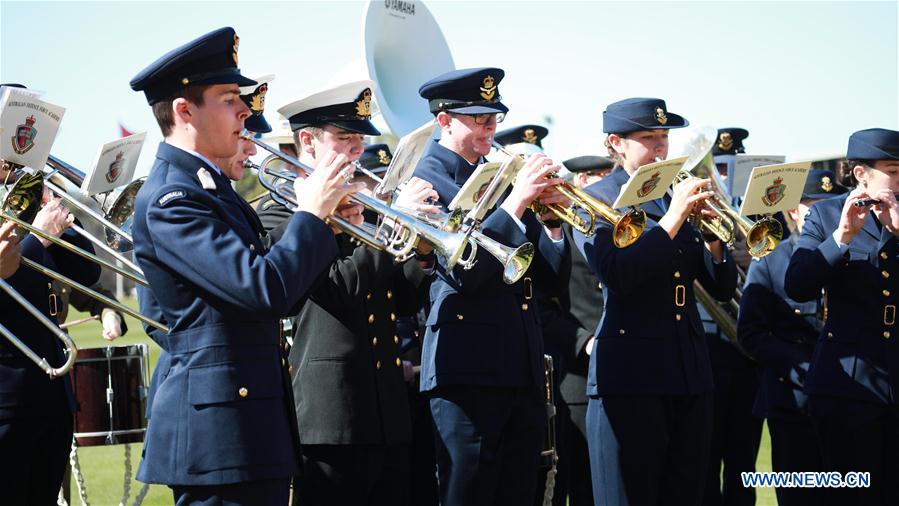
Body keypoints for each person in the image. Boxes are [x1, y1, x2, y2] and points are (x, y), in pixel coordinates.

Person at [128, 27, 363, 504]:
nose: (244, 111)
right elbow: (263, 289)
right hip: (219, 436)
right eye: (229, 99)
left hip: (248, 425)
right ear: (184, 110)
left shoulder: (211, 190)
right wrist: (310, 216)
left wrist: (329, 231)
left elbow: (282, 297)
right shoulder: (174, 198)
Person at [259, 80, 435, 506]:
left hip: (387, 410)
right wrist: (392, 226)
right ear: (307, 141)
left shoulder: (362, 198)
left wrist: (423, 248)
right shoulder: (282, 212)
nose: (357, 150)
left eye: (360, 139)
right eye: (344, 137)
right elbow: (339, 289)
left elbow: (403, 299)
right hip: (331, 413)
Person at [412, 67, 570, 506]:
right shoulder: (425, 181)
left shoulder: (499, 176)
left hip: (521, 364)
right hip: (467, 367)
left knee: (519, 493)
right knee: (471, 492)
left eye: (493, 119)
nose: (490, 129)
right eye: (479, 119)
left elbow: (550, 281)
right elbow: (466, 272)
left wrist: (553, 224)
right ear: (445, 120)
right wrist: (517, 202)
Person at [573, 97, 737, 506]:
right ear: (617, 143)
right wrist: (674, 219)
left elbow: (719, 288)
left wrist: (714, 238)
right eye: (648, 138)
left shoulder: (671, 193)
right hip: (630, 374)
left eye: (664, 136)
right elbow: (619, 276)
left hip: (688, 369)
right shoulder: (597, 199)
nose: (661, 147)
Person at [785, 128, 899, 506]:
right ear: (861, 174)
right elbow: (798, 285)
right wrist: (842, 237)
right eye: (893, 171)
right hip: (848, 385)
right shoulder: (826, 214)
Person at [739, 169, 846, 506]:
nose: (822, 214)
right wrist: (802, 367)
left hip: (847, 399)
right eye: (811, 207)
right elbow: (751, 333)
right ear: (793, 211)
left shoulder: (852, 255)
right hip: (792, 400)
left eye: (829, 205)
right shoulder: (771, 258)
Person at [0, 166, 101, 504]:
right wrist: (38, 237)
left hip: (51, 393)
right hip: (7, 399)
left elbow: (87, 271)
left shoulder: (20, 195)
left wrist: (54, 207)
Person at [702, 127, 763, 506]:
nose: (723, 179)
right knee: (704, 461)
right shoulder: (694, 210)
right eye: (718, 171)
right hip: (707, 345)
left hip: (747, 352)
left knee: (744, 461)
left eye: (730, 170)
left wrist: (754, 260)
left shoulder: (762, 214)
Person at [553, 154, 615, 506]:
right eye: (593, 176)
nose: (601, 182)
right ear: (578, 182)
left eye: (607, 174)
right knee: (582, 483)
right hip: (579, 375)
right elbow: (545, 308)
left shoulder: (616, 226)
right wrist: (584, 341)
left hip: (627, 370)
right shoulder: (560, 235)